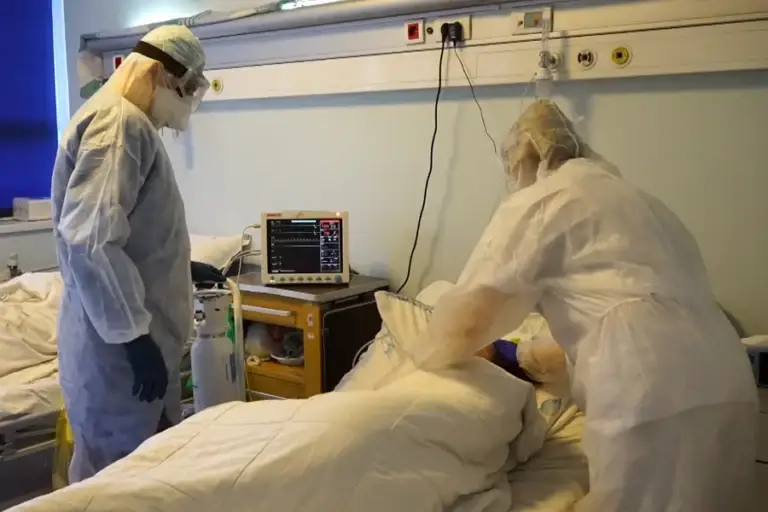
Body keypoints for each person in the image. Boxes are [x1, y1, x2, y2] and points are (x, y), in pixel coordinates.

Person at [414, 100, 758, 511]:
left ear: (525, 161)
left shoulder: (542, 202)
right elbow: (608, 315)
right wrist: (519, 356)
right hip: (727, 378)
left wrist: (423, 350)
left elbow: (465, 320)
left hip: (647, 388)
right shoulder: (642, 202)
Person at [52, 25, 225, 483]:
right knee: (116, 486)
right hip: (118, 354)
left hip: (126, 340)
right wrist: (133, 338)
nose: (182, 104)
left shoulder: (126, 121)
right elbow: (90, 240)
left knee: (144, 476)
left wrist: (181, 267)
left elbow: (128, 232)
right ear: (155, 73)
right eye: (183, 88)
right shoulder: (119, 124)